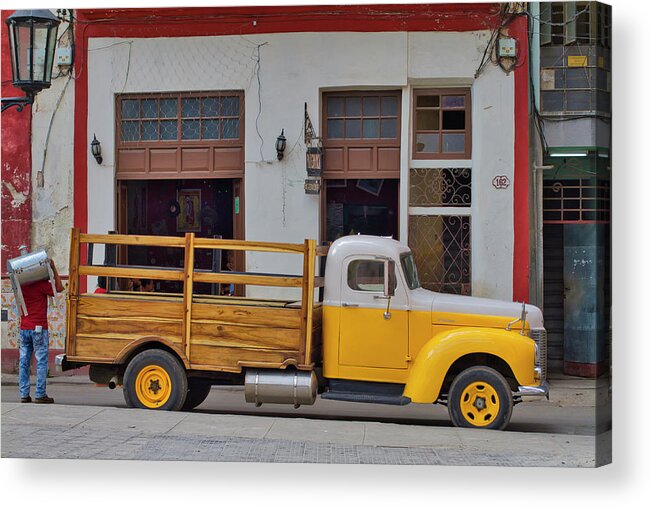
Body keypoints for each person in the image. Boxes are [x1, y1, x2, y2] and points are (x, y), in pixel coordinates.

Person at [19, 258, 64, 404]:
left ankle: (24, 394)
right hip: (38, 328)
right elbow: (59, 288)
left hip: (24, 328)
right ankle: (40, 394)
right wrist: (54, 267)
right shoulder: (41, 285)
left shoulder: (21, 285)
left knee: (24, 362)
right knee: (41, 361)